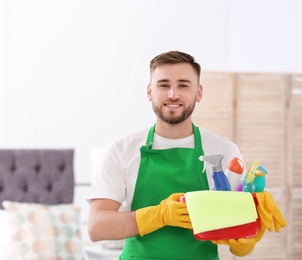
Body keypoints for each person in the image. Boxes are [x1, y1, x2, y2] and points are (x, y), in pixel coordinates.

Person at [86, 50, 287, 259]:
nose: (173, 94)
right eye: (163, 84)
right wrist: (159, 215)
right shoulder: (122, 151)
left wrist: (244, 239)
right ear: (149, 92)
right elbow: (96, 226)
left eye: (183, 85)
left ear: (198, 93)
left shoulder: (225, 152)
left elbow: (237, 232)